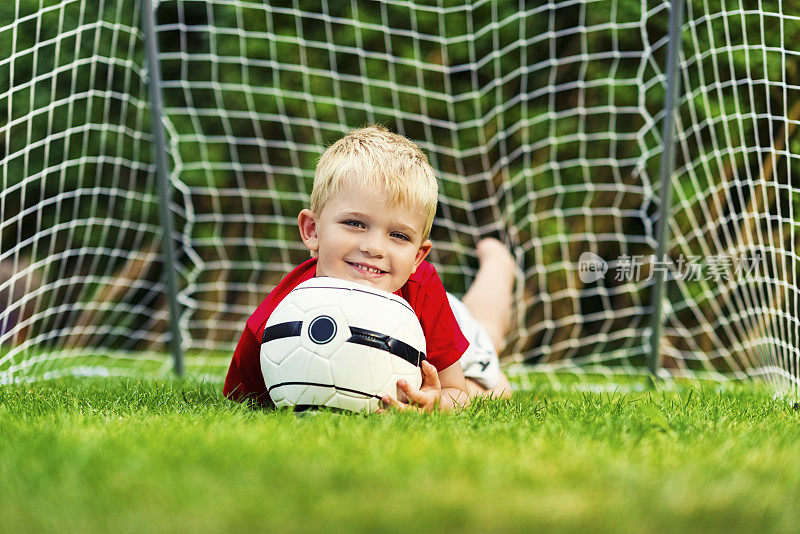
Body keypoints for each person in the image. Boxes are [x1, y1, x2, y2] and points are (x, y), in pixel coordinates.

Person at [223, 125, 514, 411]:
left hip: (440, 318)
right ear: (312, 230)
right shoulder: (278, 319)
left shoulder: (423, 286)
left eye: (399, 235)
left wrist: (435, 402)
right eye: (354, 223)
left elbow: (455, 392)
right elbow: (240, 398)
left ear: (418, 256)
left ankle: (498, 263)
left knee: (493, 372)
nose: (374, 248)